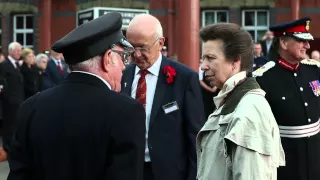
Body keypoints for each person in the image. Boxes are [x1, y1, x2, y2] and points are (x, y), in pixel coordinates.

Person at [8, 12, 146, 180]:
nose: (124, 67)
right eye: (123, 57)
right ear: (108, 58)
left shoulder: (31, 107)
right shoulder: (126, 112)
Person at [121, 14, 205, 180]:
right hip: (130, 170)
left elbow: (195, 136)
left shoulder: (184, 78)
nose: (136, 55)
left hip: (169, 172)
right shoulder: (124, 75)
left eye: (143, 48)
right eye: (131, 47)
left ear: (160, 43)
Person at [197, 23, 285, 180]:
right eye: (203, 58)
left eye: (210, 58)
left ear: (235, 62)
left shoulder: (249, 111)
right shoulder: (232, 99)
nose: (203, 66)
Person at [253, 17, 320, 180]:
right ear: (283, 42)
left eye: (308, 41)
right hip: (285, 162)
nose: (307, 46)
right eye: (301, 41)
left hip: (316, 158)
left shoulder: (314, 70)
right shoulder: (263, 78)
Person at [0, 42, 24, 162]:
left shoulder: (17, 65)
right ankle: (7, 149)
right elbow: (3, 84)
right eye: (17, 50)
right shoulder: (4, 65)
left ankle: (13, 148)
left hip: (18, 101)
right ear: (10, 51)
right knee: (9, 127)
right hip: (9, 104)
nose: (20, 53)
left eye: (20, 50)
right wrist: (9, 99)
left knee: (15, 126)